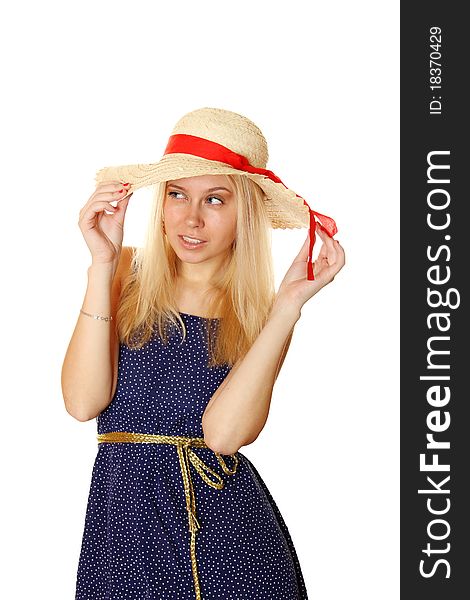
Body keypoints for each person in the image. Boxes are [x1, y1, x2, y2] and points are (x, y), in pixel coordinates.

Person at [62, 107, 345, 599]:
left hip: (229, 547)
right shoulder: (123, 272)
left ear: (247, 213)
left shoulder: (260, 315)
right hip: (122, 533)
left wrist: (287, 307)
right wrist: (101, 266)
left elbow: (223, 435)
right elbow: (83, 402)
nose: (190, 219)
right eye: (177, 195)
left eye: (215, 200)